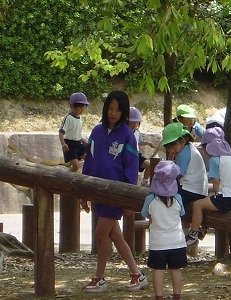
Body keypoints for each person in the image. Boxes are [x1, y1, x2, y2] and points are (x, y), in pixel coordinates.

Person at [80, 90, 148, 293]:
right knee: (115, 236)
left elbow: (131, 166)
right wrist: (84, 193)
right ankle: (137, 275)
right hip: (96, 191)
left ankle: (99, 278)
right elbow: (89, 162)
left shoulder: (127, 135)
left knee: (100, 234)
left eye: (117, 110)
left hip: (115, 194)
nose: (113, 113)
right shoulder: (96, 132)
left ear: (124, 112)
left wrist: (127, 200)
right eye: (110, 108)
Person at [185, 138, 231, 246]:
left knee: (197, 205)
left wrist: (215, 193)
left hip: (228, 197)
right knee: (209, 204)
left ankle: (193, 234)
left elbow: (216, 182)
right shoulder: (230, 158)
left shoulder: (214, 160)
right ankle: (202, 230)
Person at [141, 160, 187, 300]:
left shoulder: (150, 199)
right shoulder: (178, 199)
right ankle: (177, 296)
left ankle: (158, 297)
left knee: (158, 270)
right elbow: (182, 214)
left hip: (158, 242)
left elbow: (144, 213)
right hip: (177, 241)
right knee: (176, 270)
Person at [161, 123, 208, 235]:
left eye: (173, 146)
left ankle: (175, 230)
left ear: (182, 141)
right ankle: (187, 232)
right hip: (197, 188)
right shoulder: (187, 149)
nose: (171, 150)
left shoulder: (183, 154)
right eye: (168, 148)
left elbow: (178, 174)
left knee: (169, 202)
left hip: (191, 188)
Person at [58, 92, 89, 172]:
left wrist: (84, 142)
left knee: (89, 159)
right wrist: (63, 144)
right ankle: (67, 177)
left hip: (78, 144)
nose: (81, 110)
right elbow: (61, 132)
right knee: (76, 166)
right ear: (72, 106)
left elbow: (77, 134)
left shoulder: (80, 118)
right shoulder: (68, 118)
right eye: (79, 108)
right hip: (69, 145)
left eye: (83, 108)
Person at [127, 106, 156, 187]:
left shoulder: (137, 132)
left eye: (137, 122)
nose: (135, 124)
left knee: (150, 164)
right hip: (127, 155)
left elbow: (139, 142)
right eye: (133, 122)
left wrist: (147, 143)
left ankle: (145, 181)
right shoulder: (124, 132)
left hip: (136, 154)